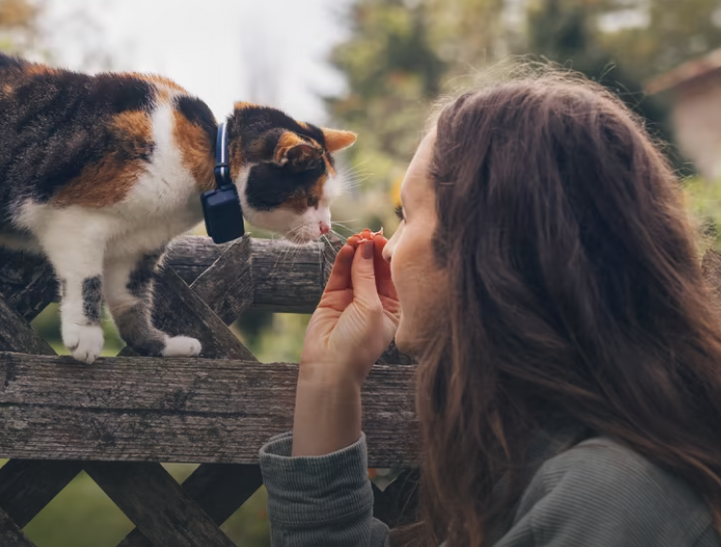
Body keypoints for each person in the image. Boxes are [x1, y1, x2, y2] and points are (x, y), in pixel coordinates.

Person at [258, 68, 721, 547]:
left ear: (492, 243)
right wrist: (328, 377)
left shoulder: (607, 502)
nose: (390, 249)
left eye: (406, 216)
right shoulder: (550, 461)